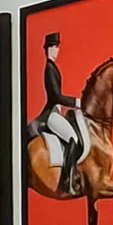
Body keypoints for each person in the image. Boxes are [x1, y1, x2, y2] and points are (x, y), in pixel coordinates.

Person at [35, 30, 85, 197]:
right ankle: (67, 180)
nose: (56, 50)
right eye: (54, 47)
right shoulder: (49, 68)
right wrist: (77, 102)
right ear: (48, 49)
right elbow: (56, 96)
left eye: (57, 47)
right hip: (51, 113)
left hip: (57, 111)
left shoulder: (53, 66)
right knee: (73, 139)